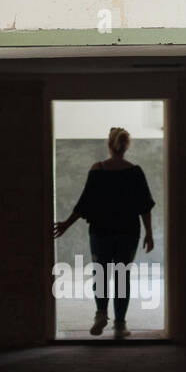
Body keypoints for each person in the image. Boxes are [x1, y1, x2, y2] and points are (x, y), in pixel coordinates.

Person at [53, 126, 155, 337]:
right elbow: (144, 206)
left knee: (101, 274)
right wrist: (149, 233)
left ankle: (100, 314)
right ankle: (119, 325)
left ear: (109, 145)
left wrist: (65, 224)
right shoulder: (135, 172)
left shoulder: (97, 169)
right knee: (121, 276)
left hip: (100, 232)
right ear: (126, 147)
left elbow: (84, 203)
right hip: (128, 232)